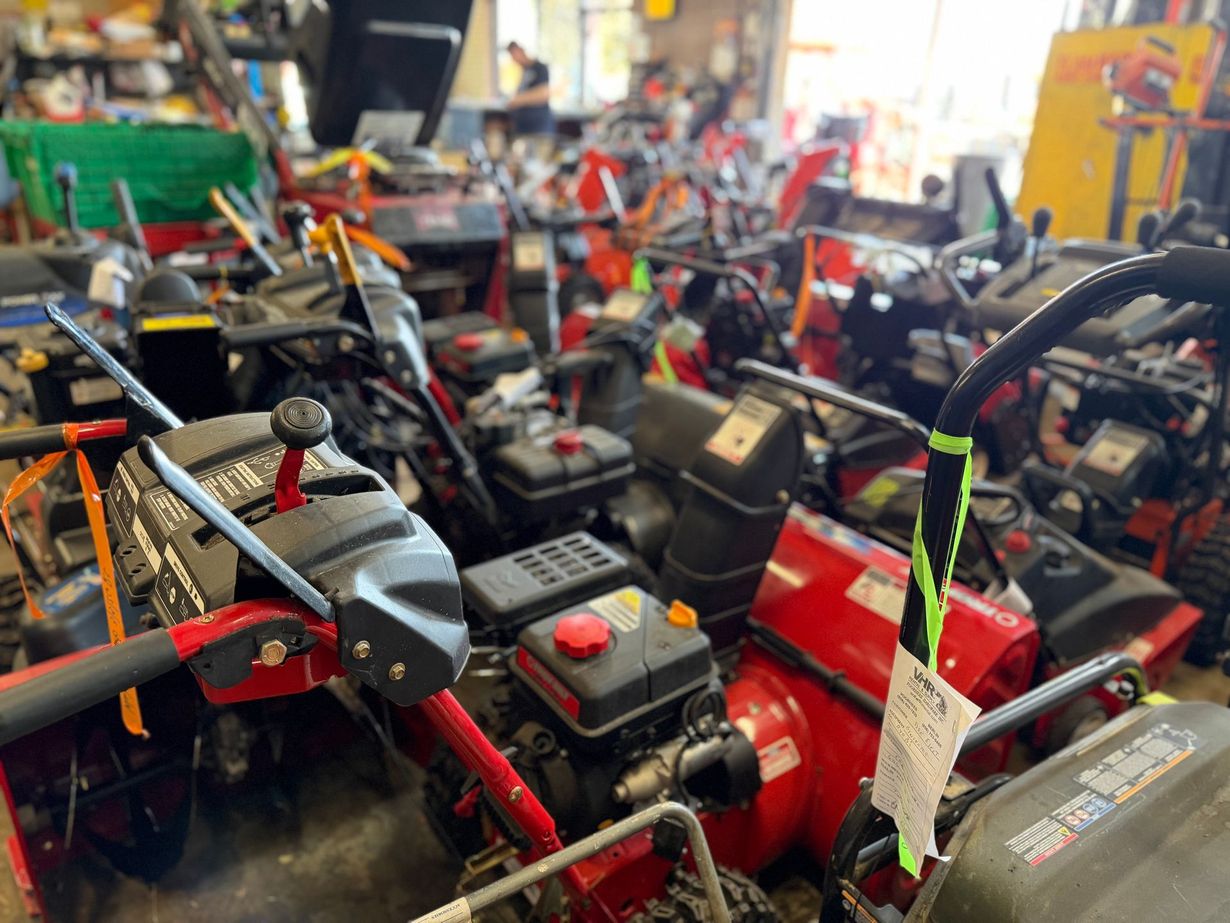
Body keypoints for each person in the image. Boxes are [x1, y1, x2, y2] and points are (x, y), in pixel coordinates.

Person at [506, 41, 555, 137]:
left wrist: (517, 100)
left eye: (513, 54)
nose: (514, 59)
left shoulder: (540, 68)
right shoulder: (524, 71)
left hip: (538, 126)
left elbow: (543, 94)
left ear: (520, 50)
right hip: (523, 127)